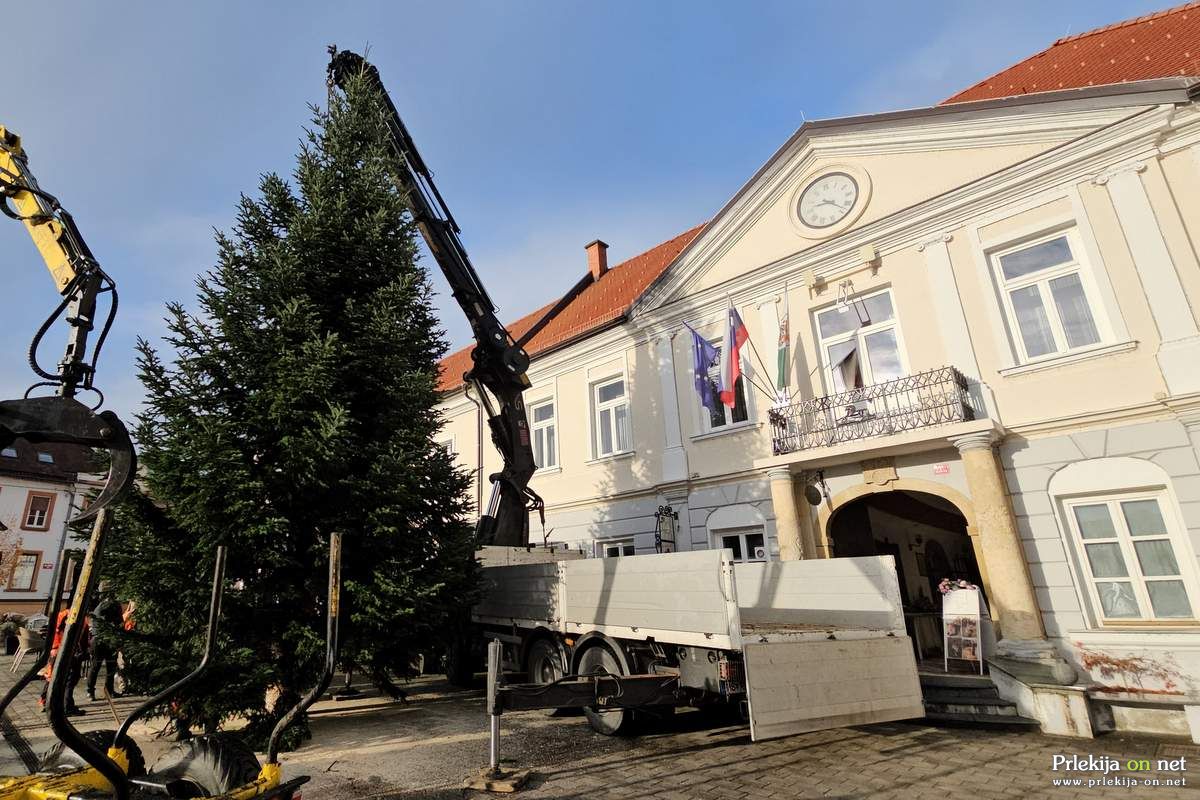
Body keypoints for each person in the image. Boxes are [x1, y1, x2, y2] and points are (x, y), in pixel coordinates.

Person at [39, 604, 88, 716]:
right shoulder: (80, 618)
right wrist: (83, 653)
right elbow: (83, 639)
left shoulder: (61, 614)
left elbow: (53, 631)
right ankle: (67, 706)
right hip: (68, 652)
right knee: (71, 679)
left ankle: (45, 702)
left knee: (51, 677)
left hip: (55, 651)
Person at [86, 583, 123, 701]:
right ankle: (108, 691)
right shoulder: (114, 605)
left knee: (96, 666)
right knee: (109, 666)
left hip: (97, 640)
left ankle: (91, 692)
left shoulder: (98, 606)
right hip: (107, 640)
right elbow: (119, 623)